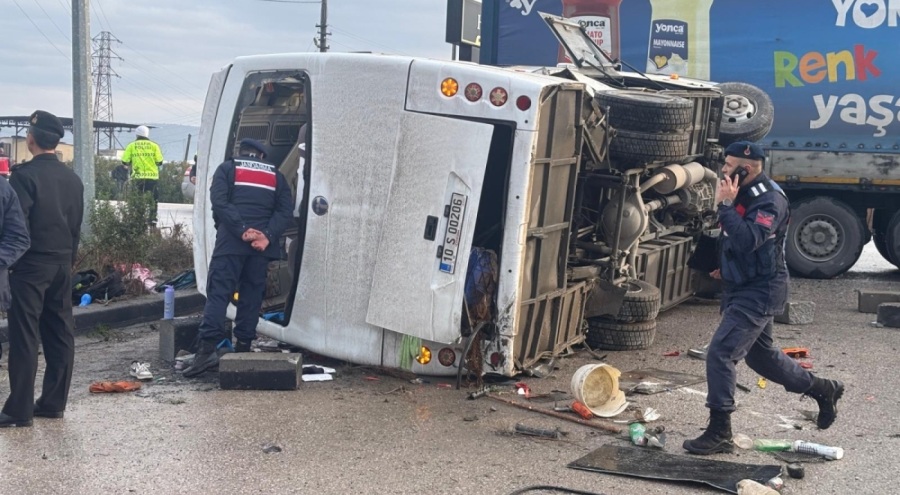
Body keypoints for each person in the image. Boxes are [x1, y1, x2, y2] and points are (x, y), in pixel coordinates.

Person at [682, 141, 845, 454]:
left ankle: (720, 431)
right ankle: (824, 389)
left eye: (729, 166)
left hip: (760, 290)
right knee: (761, 357)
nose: (724, 171)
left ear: (748, 166)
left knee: (721, 353)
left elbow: (749, 239)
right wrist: (720, 264)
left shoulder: (768, 200)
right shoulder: (740, 191)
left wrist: (726, 207)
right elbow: (733, 240)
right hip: (742, 284)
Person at [0, 110, 84, 428]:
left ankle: (19, 409)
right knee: (60, 333)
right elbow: (76, 227)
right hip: (63, 263)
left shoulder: (24, 177)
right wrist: (69, 259)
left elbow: (16, 225)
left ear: (31, 139)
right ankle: (53, 403)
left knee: (25, 335)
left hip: (31, 266)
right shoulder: (73, 180)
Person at [183, 138, 292, 378]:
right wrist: (266, 236)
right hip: (260, 249)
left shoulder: (227, 169)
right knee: (251, 297)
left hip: (230, 245)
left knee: (218, 296)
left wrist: (240, 229)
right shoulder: (276, 175)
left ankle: (206, 353)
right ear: (261, 156)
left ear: (240, 152)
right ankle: (243, 348)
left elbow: (219, 204)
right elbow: (285, 210)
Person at [122, 125, 163, 225]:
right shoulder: (154, 146)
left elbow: (124, 161)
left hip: (137, 177)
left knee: (137, 198)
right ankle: (152, 218)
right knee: (153, 199)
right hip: (152, 177)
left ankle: (138, 218)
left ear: (136, 134)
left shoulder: (131, 146)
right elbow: (160, 161)